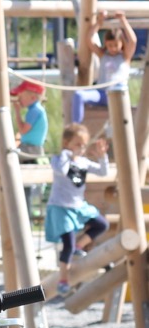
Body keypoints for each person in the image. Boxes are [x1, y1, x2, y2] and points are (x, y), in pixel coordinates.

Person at [44, 123, 109, 296]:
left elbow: (103, 172)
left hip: (78, 205)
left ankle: (79, 246)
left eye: (83, 145)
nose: (80, 149)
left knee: (101, 224)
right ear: (67, 143)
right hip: (61, 207)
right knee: (67, 243)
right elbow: (63, 170)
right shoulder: (58, 160)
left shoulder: (84, 162)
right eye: (77, 144)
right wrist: (67, 153)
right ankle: (63, 278)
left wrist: (102, 156)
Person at [72, 11, 136, 124]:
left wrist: (123, 20)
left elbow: (132, 41)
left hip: (117, 95)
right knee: (78, 95)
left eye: (116, 45)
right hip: (102, 94)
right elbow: (89, 40)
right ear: (106, 43)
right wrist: (99, 22)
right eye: (110, 45)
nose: (113, 48)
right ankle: (76, 126)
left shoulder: (125, 57)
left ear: (121, 43)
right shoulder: (103, 55)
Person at [11, 80, 48, 158]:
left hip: (31, 149)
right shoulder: (35, 109)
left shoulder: (34, 111)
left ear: (32, 97)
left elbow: (22, 131)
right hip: (31, 148)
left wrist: (17, 112)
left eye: (21, 97)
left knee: (9, 157)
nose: (19, 99)